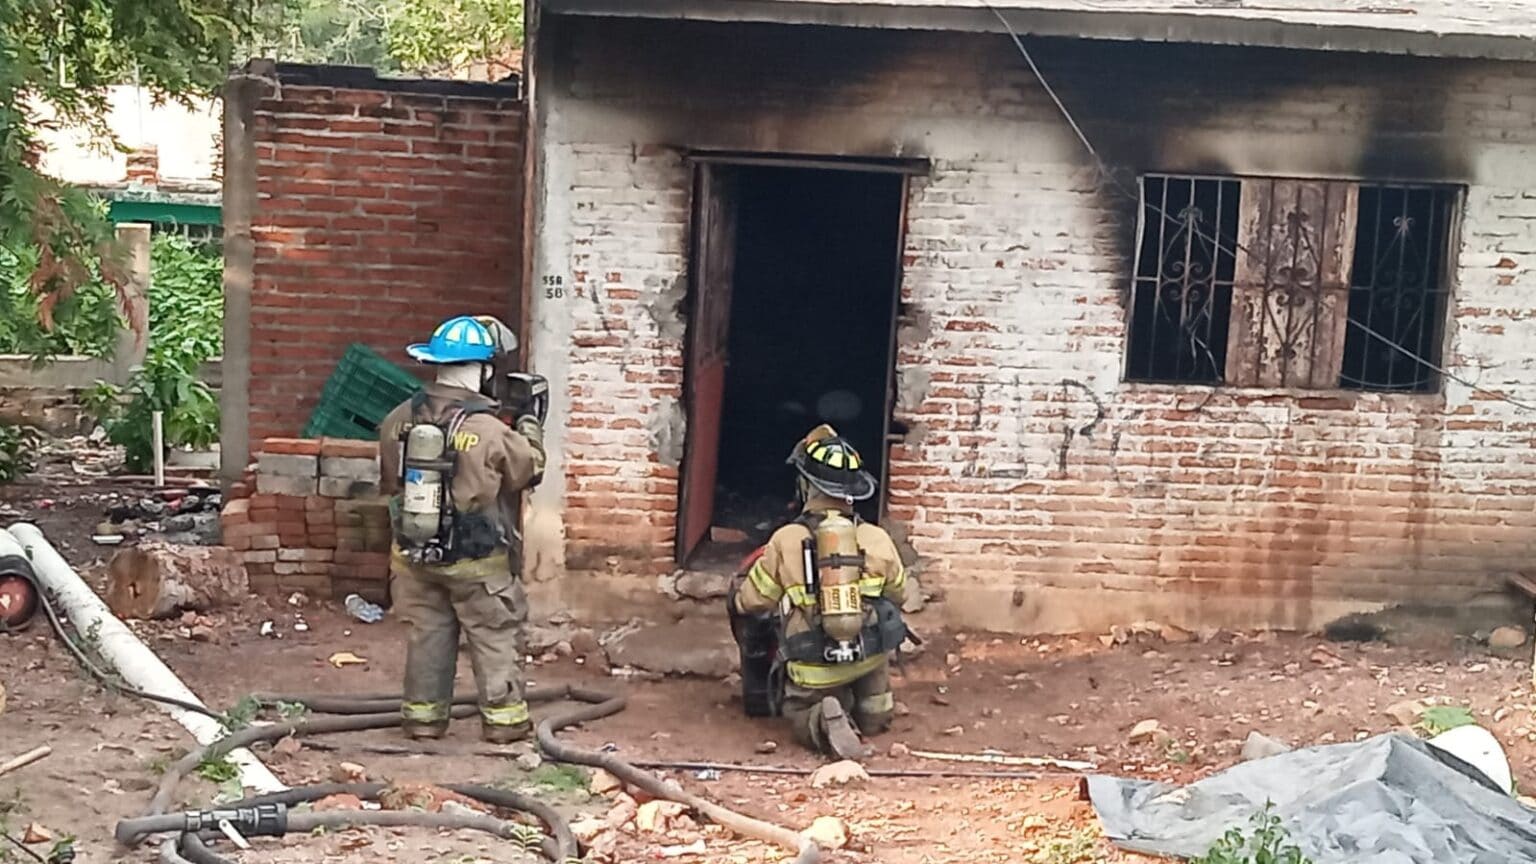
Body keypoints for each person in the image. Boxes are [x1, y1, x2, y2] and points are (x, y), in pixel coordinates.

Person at [378, 315, 545, 743]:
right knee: (493, 634)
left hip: (414, 554)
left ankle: (423, 721)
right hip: (478, 560)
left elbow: (390, 481)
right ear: (484, 371)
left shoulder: (397, 418)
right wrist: (529, 423)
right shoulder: (489, 430)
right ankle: (505, 724)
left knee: (428, 635)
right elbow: (528, 471)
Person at [729, 425, 908, 759]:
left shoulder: (786, 539)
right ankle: (870, 714)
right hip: (870, 657)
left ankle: (819, 719)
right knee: (875, 713)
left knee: (798, 711)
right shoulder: (878, 538)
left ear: (807, 485)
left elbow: (756, 600)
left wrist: (737, 601)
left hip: (812, 660)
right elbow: (900, 595)